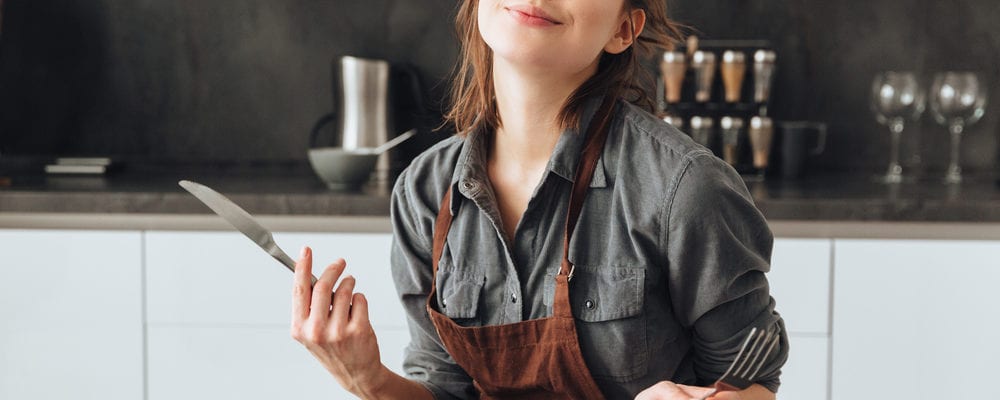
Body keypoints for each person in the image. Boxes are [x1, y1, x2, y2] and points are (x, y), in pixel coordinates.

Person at [290, 0, 789, 399]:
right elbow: (444, 390)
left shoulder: (685, 188)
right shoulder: (425, 192)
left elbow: (752, 382)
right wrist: (366, 380)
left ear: (624, 29)